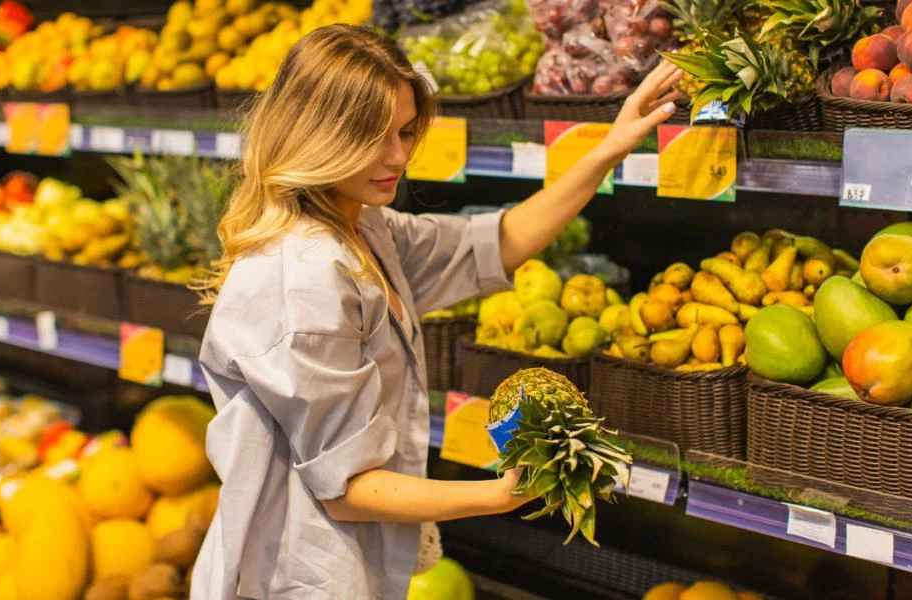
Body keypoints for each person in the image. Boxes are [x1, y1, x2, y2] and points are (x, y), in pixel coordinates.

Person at [190, 23, 682, 600]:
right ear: (317, 136)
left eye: (404, 132)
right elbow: (347, 487)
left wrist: (609, 148)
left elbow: (494, 243)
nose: (398, 157)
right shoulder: (304, 277)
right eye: (373, 138)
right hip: (300, 574)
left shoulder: (359, 225)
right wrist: (497, 495)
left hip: (347, 561)